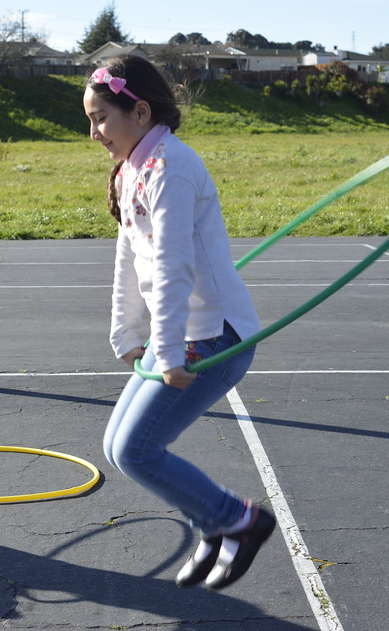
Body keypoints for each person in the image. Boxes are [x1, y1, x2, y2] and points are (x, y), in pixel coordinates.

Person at [84, 56, 275, 590]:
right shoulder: (135, 168)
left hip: (213, 336)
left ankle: (240, 521)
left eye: (101, 118)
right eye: (90, 120)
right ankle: (215, 525)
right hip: (180, 335)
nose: (94, 133)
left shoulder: (172, 167)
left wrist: (166, 352)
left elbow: (172, 266)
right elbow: (129, 255)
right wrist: (126, 333)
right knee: (116, 447)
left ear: (140, 112)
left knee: (136, 450)